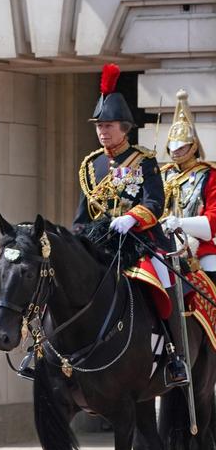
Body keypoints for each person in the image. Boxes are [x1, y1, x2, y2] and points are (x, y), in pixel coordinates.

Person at [72, 63, 186, 386]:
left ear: (124, 128)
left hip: (138, 240)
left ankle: (174, 355)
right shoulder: (91, 165)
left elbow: (155, 203)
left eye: (108, 126)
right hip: (101, 242)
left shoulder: (143, 160)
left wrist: (131, 218)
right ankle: (45, 353)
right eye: (99, 125)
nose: (102, 131)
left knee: (163, 278)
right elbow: (83, 215)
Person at [160, 89, 216, 279]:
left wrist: (181, 223)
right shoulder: (163, 174)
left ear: (193, 147)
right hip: (164, 243)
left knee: (212, 269)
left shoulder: (209, 175)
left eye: (181, 147)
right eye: (172, 147)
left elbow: (213, 220)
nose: (175, 152)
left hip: (200, 248)